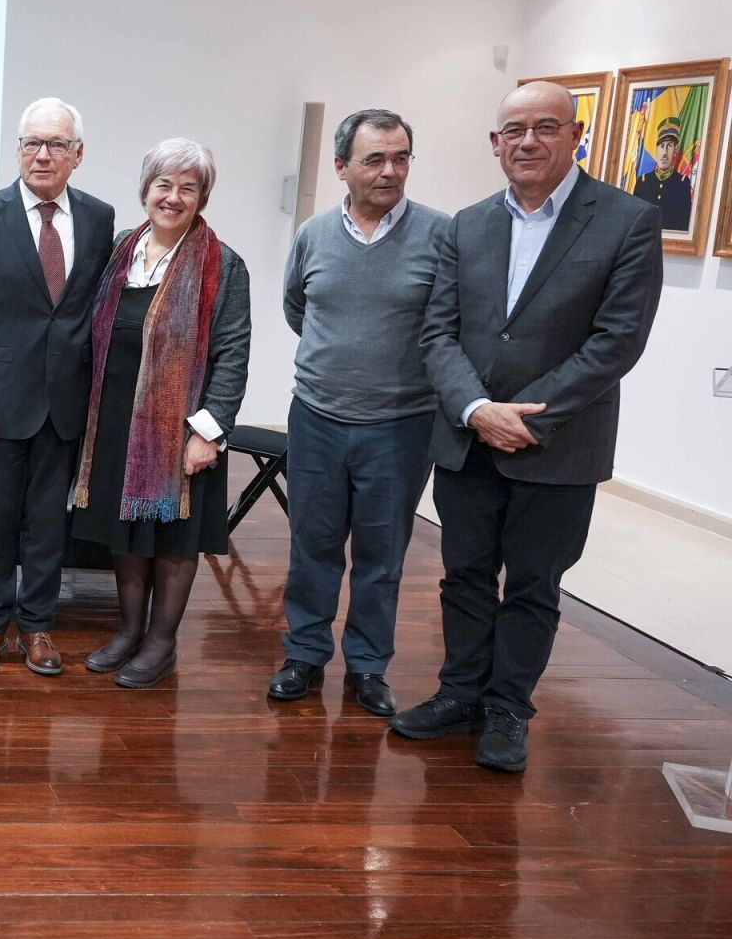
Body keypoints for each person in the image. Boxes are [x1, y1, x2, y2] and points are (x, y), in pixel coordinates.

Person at [395, 80, 662, 773]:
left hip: (559, 446)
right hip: (467, 437)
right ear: (495, 143)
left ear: (577, 136)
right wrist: (477, 409)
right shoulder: (468, 223)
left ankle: (508, 711)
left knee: (535, 585)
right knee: (465, 576)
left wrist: (527, 417)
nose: (529, 141)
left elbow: (617, 341)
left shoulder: (626, 221)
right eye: (514, 130)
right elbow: (438, 332)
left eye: (547, 127)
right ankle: (459, 695)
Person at [268, 110, 447, 719]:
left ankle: (368, 666)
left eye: (400, 158)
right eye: (374, 159)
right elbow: (298, 308)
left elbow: (448, 328)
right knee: (311, 544)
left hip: (402, 425)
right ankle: (305, 655)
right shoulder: (314, 235)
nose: (389, 171)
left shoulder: (440, 236)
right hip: (317, 415)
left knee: (382, 554)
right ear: (341, 167)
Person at [0, 99, 115, 676]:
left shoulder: (99, 218)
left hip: (66, 402)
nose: (43, 155)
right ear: (17, 150)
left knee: (49, 522)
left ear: (78, 155)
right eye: (32, 143)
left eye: (57, 145)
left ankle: (38, 625)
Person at [73, 138, 251, 690]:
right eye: (164, 185)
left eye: (188, 188)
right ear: (146, 189)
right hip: (118, 418)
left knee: (173, 538)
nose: (173, 198)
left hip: (183, 426)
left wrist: (208, 432)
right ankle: (129, 631)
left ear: (203, 197)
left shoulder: (224, 265)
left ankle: (161, 642)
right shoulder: (123, 249)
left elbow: (233, 351)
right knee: (126, 531)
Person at [631, 119, 692, 233]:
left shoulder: (682, 183)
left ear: (675, 150)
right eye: (661, 146)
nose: (664, 152)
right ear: (656, 149)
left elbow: (684, 224)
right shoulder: (643, 182)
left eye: (669, 146)